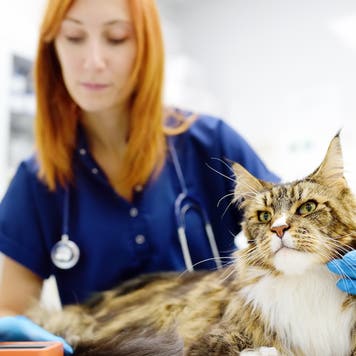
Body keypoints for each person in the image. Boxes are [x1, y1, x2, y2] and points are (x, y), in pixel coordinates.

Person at [0, 0, 354, 354]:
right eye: (74, 37)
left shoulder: (210, 143)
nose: (93, 60)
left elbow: (288, 216)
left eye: (117, 37)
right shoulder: (36, 181)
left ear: (147, 49)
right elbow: (11, 311)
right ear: (52, 50)